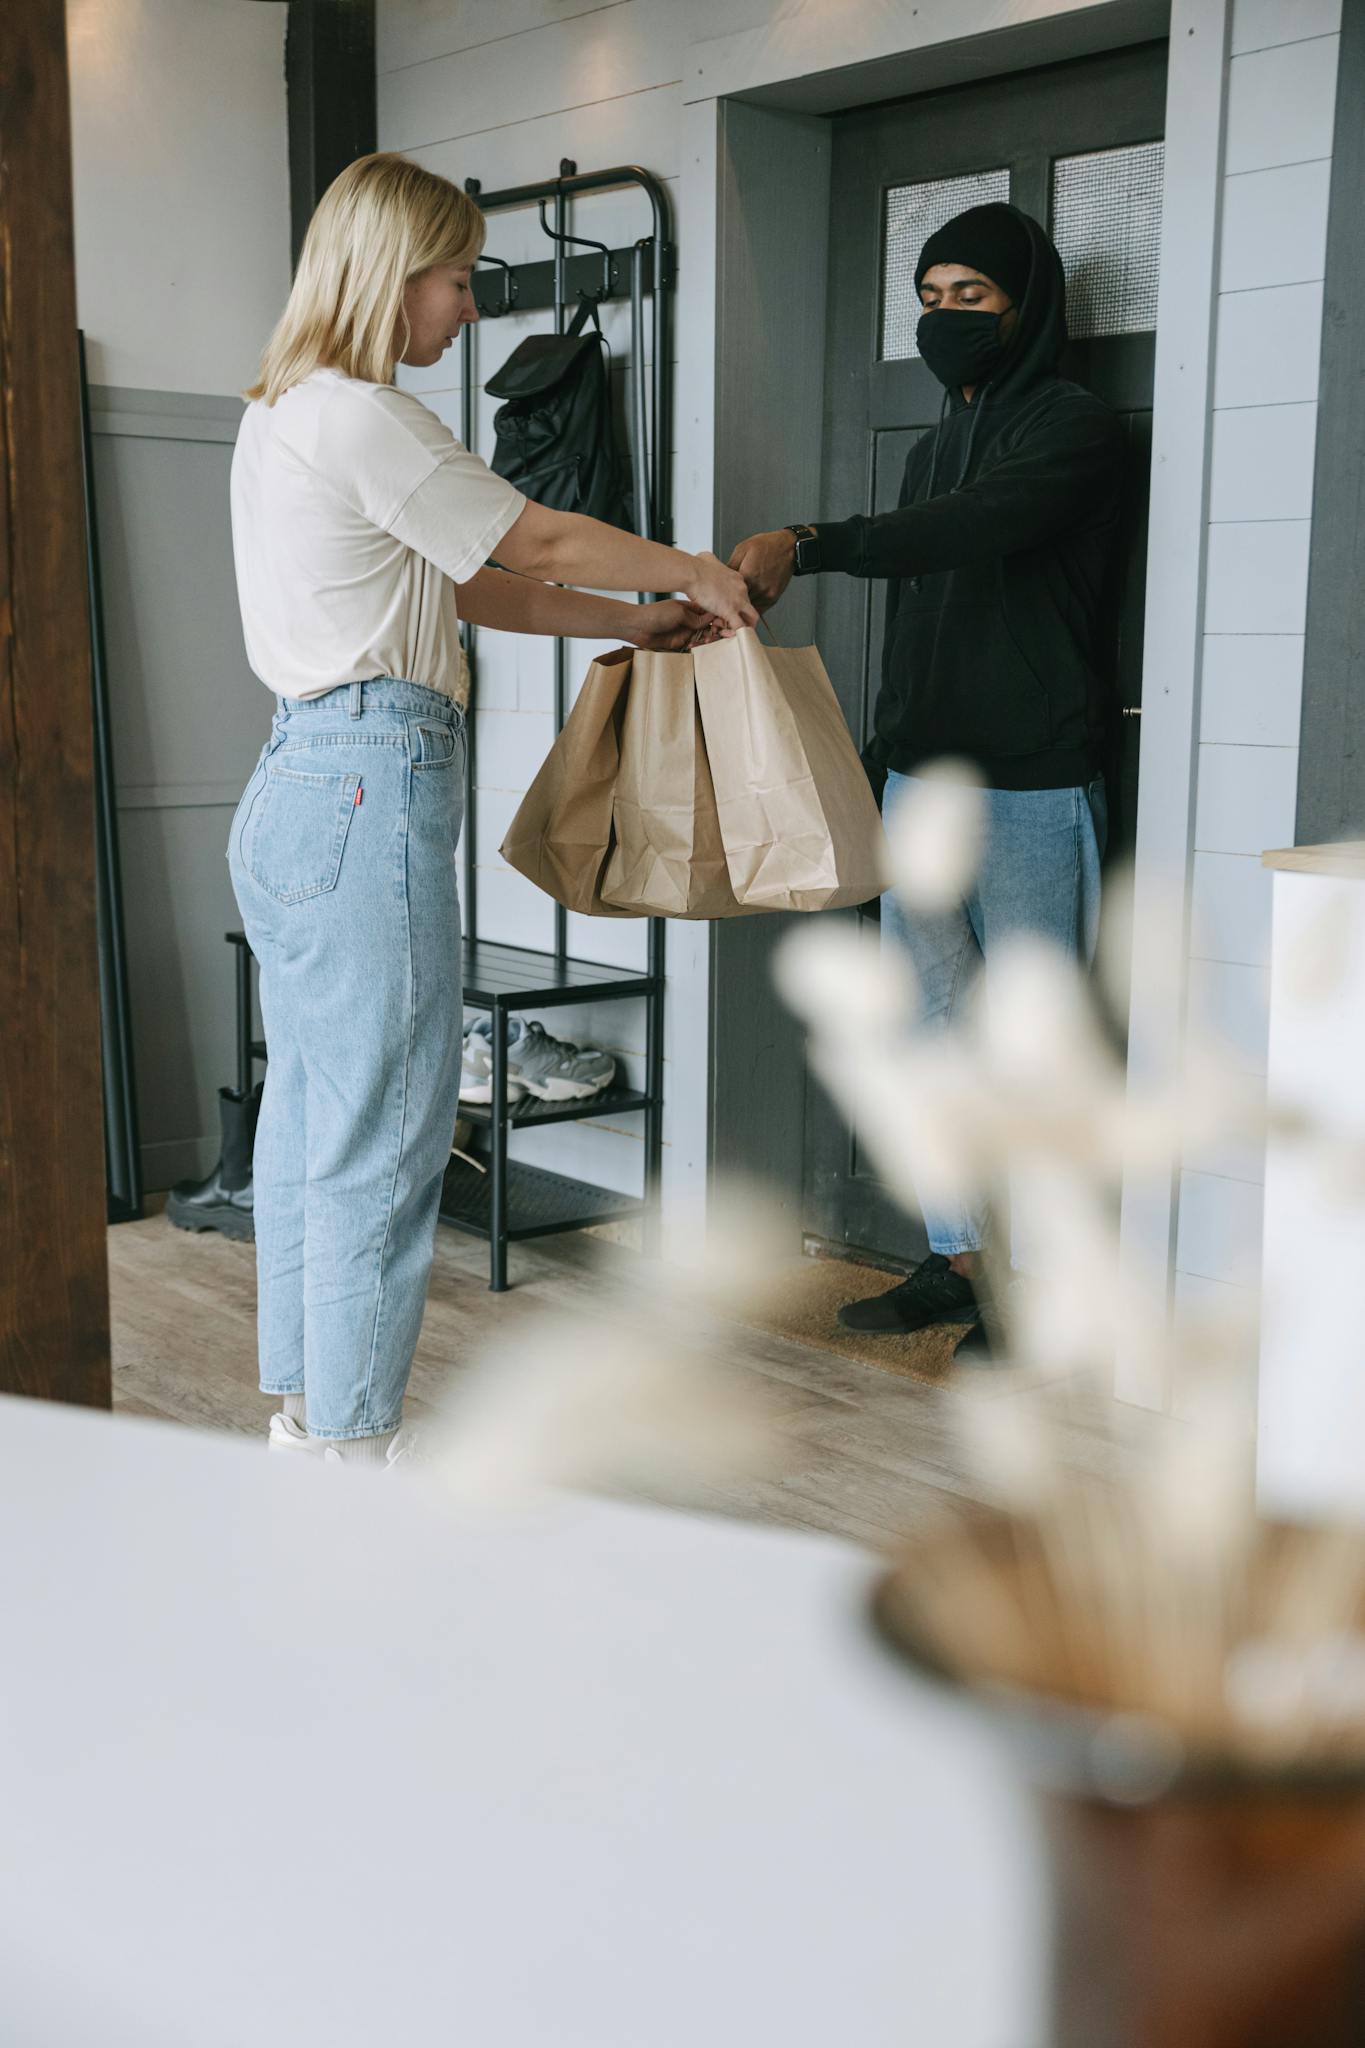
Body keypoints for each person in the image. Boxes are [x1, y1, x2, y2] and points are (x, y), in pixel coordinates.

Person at [229, 152, 754, 1464]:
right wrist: (693, 565)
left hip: (294, 784)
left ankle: (305, 1419)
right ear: (390, 274)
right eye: (458, 280)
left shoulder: (281, 412)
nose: (469, 309)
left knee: (309, 1116)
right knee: (386, 1138)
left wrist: (641, 624)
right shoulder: (362, 415)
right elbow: (544, 540)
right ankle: (351, 1450)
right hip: (363, 786)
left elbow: (479, 588)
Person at [729, 202, 1123, 1359]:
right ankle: (958, 1258)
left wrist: (809, 539)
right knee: (928, 1036)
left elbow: (971, 528)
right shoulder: (927, 444)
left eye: (974, 297)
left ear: (1026, 306)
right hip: (921, 783)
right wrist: (878, 762)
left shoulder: (1077, 428)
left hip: (1034, 788)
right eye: (933, 295)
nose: (947, 316)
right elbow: (925, 615)